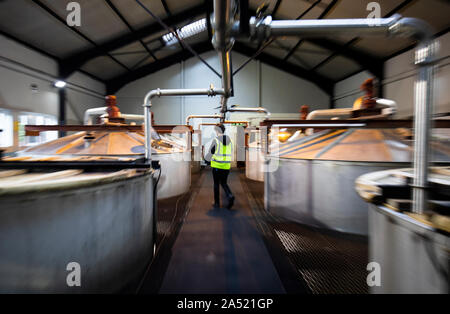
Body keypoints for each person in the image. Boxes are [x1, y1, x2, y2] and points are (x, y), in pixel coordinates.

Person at [205, 124, 235, 210]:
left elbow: (211, 152)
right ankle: (230, 195)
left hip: (217, 166)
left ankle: (217, 203)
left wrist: (206, 160)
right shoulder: (230, 141)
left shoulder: (216, 140)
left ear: (217, 131)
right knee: (224, 183)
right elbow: (231, 151)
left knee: (216, 184)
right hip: (226, 166)